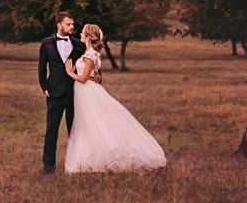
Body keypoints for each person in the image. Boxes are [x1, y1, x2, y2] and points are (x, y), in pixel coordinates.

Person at [63, 22, 167, 173]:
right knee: (89, 124)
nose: (80, 34)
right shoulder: (92, 54)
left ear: (87, 36)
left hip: (87, 92)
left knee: (94, 123)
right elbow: (94, 75)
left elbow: (84, 78)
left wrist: (70, 73)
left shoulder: (89, 55)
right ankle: (89, 158)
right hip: (85, 92)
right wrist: (95, 76)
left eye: (82, 33)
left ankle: (105, 154)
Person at [38, 11, 80, 172]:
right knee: (51, 130)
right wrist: (45, 88)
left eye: (72, 24)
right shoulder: (47, 43)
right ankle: (48, 166)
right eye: (68, 24)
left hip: (73, 94)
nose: (72, 26)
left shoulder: (78, 44)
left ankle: (76, 163)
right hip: (54, 94)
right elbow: (41, 68)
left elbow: (88, 64)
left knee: (74, 130)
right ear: (59, 24)